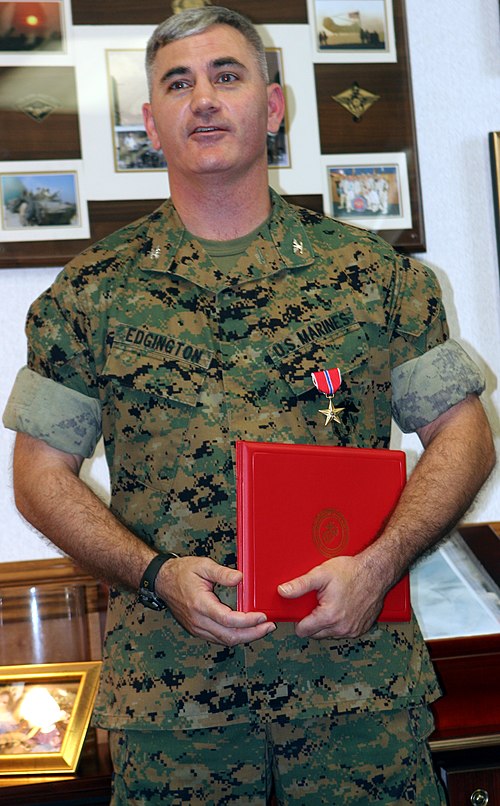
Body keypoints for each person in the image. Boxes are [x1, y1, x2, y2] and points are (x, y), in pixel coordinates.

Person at [3, 6, 494, 804]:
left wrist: (381, 563)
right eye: (177, 83)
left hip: (356, 699)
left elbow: (464, 437)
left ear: (272, 108)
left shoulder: (378, 279)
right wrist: (154, 573)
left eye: (227, 76)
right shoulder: (89, 296)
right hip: (175, 715)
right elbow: (39, 476)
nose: (203, 99)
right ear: (151, 123)